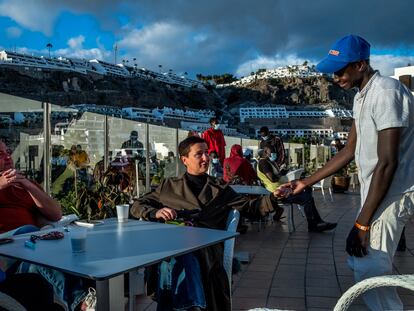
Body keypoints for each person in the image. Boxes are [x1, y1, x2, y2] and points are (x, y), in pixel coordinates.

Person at [285, 34, 414, 310]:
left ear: (361, 65)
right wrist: (305, 182)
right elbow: (348, 151)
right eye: (334, 71)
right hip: (378, 191)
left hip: (395, 191)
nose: (336, 77)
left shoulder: (386, 93)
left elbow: (388, 162)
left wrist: (361, 223)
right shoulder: (361, 97)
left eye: (341, 70)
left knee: (369, 265)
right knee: (363, 262)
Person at [130, 136, 282, 311]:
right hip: (173, 248)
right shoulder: (168, 187)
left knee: (178, 257)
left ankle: (190, 306)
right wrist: (155, 212)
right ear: (184, 159)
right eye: (199, 154)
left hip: (206, 251)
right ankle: (193, 306)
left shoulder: (220, 188)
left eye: (207, 153)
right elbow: (137, 205)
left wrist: (274, 197)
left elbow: (252, 208)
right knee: (176, 256)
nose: (206, 158)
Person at [258, 146, 337, 232]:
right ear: (265, 152)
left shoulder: (269, 162)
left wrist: (282, 172)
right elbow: (272, 178)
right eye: (272, 151)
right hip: (277, 193)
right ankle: (314, 224)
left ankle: (316, 222)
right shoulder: (263, 163)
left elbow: (276, 176)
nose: (274, 153)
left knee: (306, 190)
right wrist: (281, 175)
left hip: (283, 190)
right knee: (306, 197)